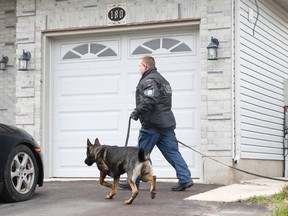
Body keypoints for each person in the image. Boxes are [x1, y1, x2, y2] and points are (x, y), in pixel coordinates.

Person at [119, 55, 193, 191]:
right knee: (173, 153)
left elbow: (151, 100)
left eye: (139, 65)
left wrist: (137, 111)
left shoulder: (149, 80)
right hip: (165, 124)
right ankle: (185, 178)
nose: (138, 68)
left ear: (146, 66)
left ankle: (133, 181)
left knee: (139, 154)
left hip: (152, 126)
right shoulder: (163, 80)